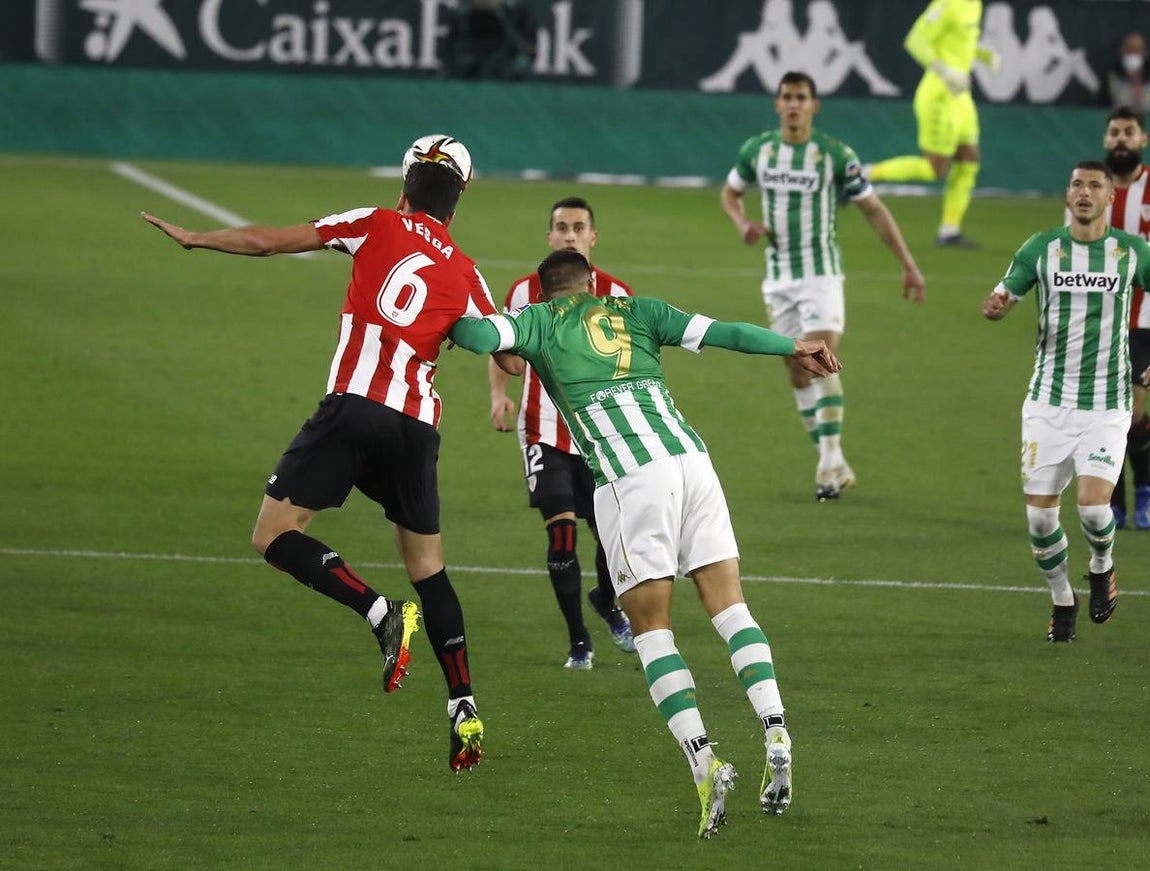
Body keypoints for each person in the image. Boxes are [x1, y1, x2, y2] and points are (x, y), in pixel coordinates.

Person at [450, 249, 843, 838]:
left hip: (630, 478)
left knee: (654, 629)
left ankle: (704, 760)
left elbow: (481, 336)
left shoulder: (535, 320)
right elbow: (726, 332)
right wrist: (796, 346)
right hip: (692, 460)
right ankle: (775, 726)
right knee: (731, 607)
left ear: (542, 289)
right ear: (590, 282)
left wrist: (454, 298)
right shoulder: (639, 310)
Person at [141, 134, 494, 771]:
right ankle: (463, 703)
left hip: (355, 406)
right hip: (417, 427)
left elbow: (268, 241)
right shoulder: (468, 273)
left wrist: (196, 238)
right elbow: (507, 351)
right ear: (459, 199)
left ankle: (379, 611)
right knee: (430, 566)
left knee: (274, 534)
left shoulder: (374, 222)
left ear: (405, 183)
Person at [720, 70, 925, 502]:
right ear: (777, 104)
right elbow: (730, 193)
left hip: (820, 273)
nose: (793, 104)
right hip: (778, 278)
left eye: (801, 97)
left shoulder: (834, 155)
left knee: (820, 357)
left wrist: (907, 263)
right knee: (795, 367)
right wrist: (741, 224)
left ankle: (828, 463)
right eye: (787, 97)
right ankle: (834, 460)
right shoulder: (758, 151)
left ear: (814, 106)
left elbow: (873, 209)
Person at [981, 160, 1150, 642]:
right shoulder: (1042, 249)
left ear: (1109, 197)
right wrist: (996, 307)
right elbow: (1003, 295)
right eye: (1077, 184)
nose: (1084, 192)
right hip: (1047, 403)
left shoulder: (1131, 252)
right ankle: (1062, 599)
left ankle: (1102, 566)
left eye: (1094, 185)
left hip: (1106, 402)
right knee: (1040, 520)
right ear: (1068, 193)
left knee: (1095, 510)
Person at [489, 197, 637, 669]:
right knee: (562, 537)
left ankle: (606, 600)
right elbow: (504, 348)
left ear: (593, 237)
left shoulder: (618, 293)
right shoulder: (521, 293)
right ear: (550, 236)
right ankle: (579, 640)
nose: (570, 235)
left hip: (600, 435)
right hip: (543, 430)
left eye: (578, 227)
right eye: (561, 227)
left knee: (615, 538)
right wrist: (499, 394)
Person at [866, 0, 998, 247]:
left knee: (969, 159)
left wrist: (982, 55)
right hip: (939, 93)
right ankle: (863, 175)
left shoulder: (974, 5)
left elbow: (957, 42)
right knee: (935, 168)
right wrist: (945, 71)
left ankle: (950, 230)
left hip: (961, 95)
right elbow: (915, 40)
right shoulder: (947, 4)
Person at [1097, 107, 1150, 528]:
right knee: (1105, 412)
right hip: (1101, 319)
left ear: (1142, 140)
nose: (1120, 139)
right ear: (1105, 141)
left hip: (1145, 319)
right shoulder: (1091, 190)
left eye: (1128, 132)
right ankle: (1115, 501)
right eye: (1114, 132)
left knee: (1131, 412)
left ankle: (1144, 490)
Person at [1103, 33, 1150, 115]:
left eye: (1137, 50)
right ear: (1122, 51)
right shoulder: (1112, 75)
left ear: (1144, 53)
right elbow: (1102, 105)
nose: (1133, 54)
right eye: (1130, 50)